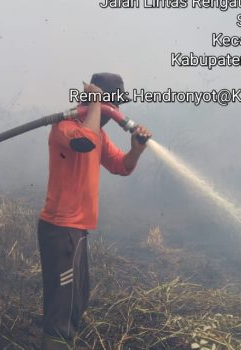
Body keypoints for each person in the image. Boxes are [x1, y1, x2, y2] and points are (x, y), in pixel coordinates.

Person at [37, 73, 152, 349]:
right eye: (114, 105)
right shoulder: (64, 126)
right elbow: (83, 142)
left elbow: (120, 166)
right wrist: (99, 101)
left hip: (77, 229)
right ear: (95, 101)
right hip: (60, 227)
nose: (116, 113)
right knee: (62, 306)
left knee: (78, 298)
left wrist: (135, 151)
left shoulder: (97, 134)